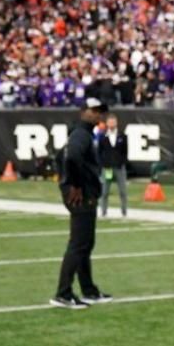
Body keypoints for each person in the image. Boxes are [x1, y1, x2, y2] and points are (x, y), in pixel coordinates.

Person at [52, 97, 111, 309]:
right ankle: (63, 292)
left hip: (83, 192)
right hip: (81, 195)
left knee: (84, 244)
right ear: (84, 112)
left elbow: (61, 157)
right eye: (94, 111)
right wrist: (74, 184)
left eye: (100, 111)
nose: (98, 115)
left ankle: (88, 289)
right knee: (79, 244)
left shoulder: (83, 133)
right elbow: (70, 158)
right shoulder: (81, 134)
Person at [97, 114, 129, 217]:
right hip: (108, 169)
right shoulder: (103, 137)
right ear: (107, 123)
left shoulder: (122, 136)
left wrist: (122, 162)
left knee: (122, 191)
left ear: (116, 123)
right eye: (109, 122)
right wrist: (104, 164)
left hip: (119, 168)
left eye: (113, 122)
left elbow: (125, 152)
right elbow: (99, 152)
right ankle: (103, 211)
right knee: (105, 191)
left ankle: (124, 211)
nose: (111, 124)